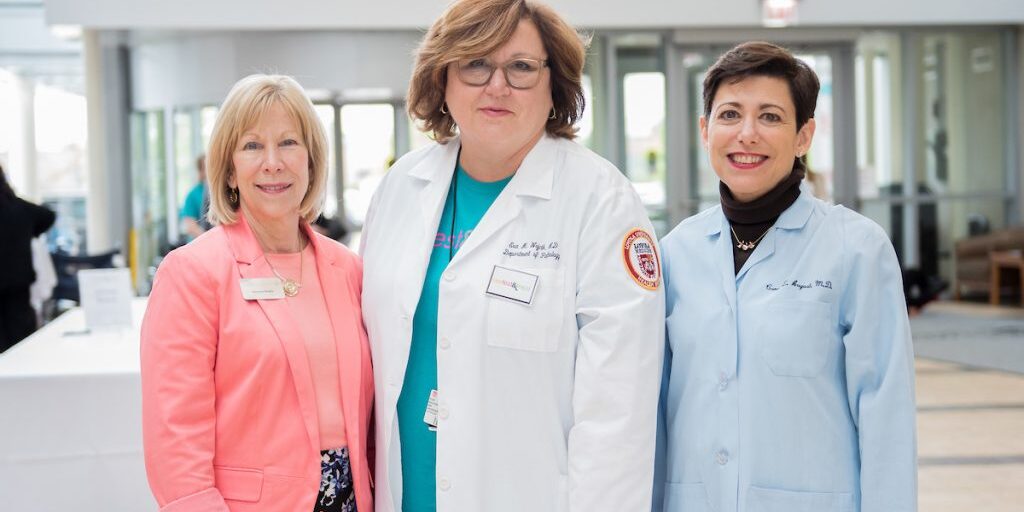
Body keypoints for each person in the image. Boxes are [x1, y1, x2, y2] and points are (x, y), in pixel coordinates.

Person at [360, 1, 665, 511]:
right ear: (443, 78)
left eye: (521, 67)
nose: (497, 86)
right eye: (476, 64)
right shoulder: (400, 188)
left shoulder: (600, 201)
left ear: (555, 84)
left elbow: (618, 414)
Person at [655, 42, 917, 512]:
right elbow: (653, 414)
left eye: (770, 117)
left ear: (803, 136)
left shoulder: (856, 248)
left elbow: (886, 414)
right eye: (730, 114)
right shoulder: (675, 253)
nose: (747, 134)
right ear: (705, 130)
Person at [140, 74, 373, 512]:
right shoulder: (192, 274)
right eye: (252, 146)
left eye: (288, 143)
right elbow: (175, 442)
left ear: (311, 160)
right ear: (228, 169)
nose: (273, 162)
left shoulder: (347, 268)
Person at [0, 162, 56, 352]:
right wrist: (30, 231)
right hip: (19, 287)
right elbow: (48, 216)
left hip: (16, 287)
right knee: (21, 348)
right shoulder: (19, 208)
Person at [180, 154, 211, 240]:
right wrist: (210, 240)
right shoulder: (192, 195)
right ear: (201, 171)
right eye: (208, 167)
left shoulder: (219, 191)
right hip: (201, 242)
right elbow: (190, 226)